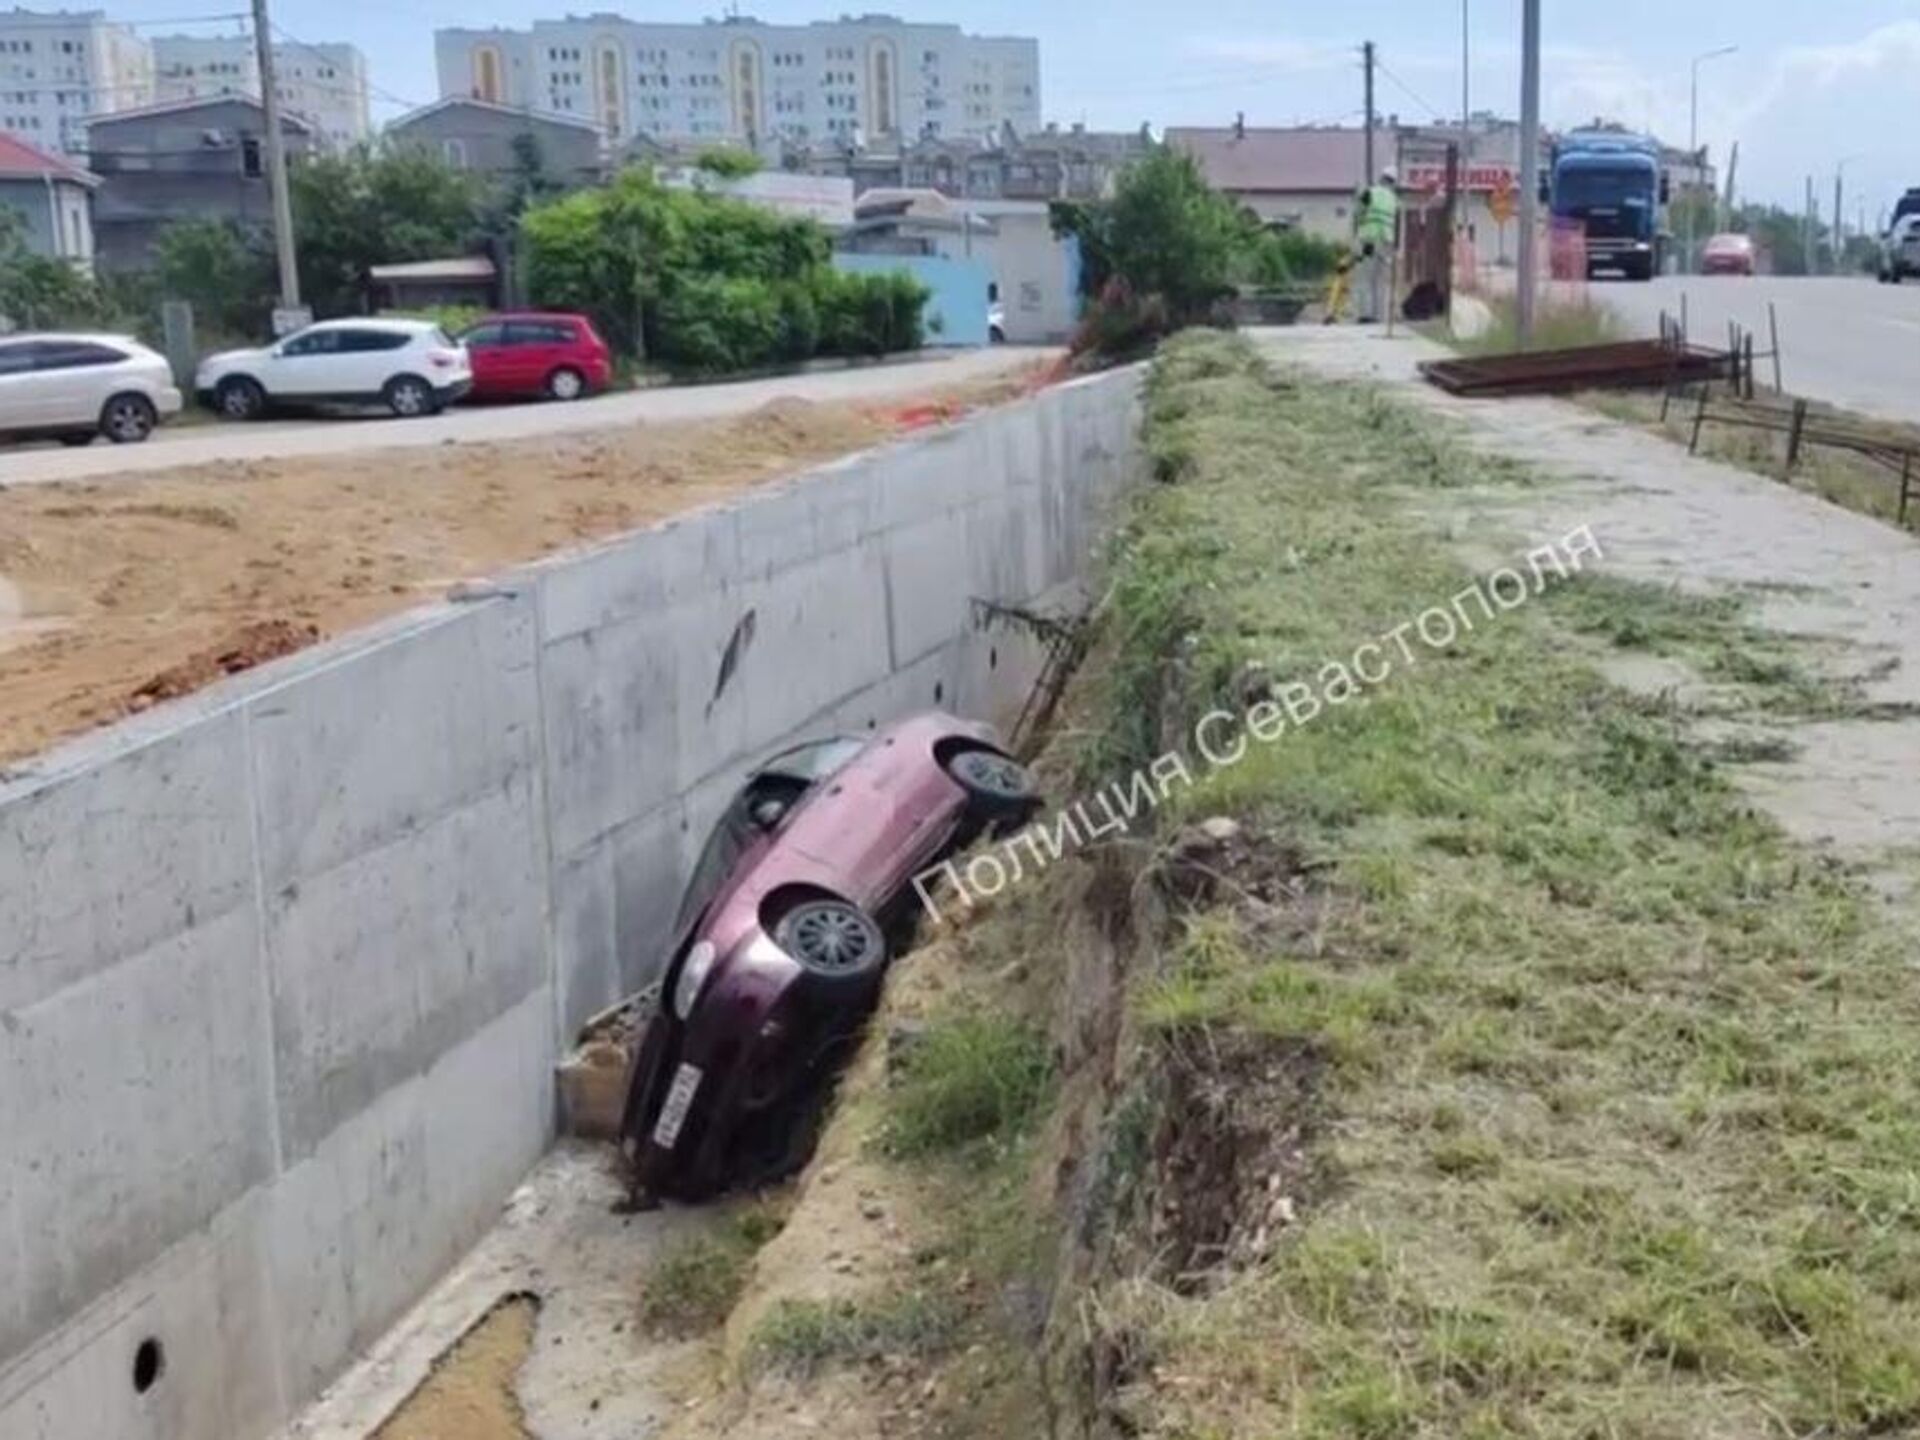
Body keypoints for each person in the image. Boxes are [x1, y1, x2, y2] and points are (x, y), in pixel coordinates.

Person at [1353, 166, 1401, 323]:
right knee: (1381, 280)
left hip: (1369, 240)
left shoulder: (1369, 192)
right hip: (1387, 243)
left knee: (1365, 278)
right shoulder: (1394, 200)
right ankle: (1380, 316)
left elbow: (1358, 213)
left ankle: (1366, 315)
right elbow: (1397, 224)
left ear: (1381, 178)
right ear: (1393, 182)